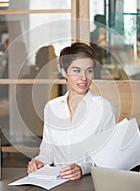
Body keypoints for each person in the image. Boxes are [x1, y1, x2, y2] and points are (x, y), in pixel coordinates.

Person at [27, 42, 116, 180]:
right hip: (56, 182)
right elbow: (47, 150)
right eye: (76, 71)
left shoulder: (104, 108)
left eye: (89, 71)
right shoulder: (52, 108)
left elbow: (108, 157)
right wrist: (39, 162)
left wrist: (82, 168)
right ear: (64, 71)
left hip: (89, 182)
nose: (84, 78)